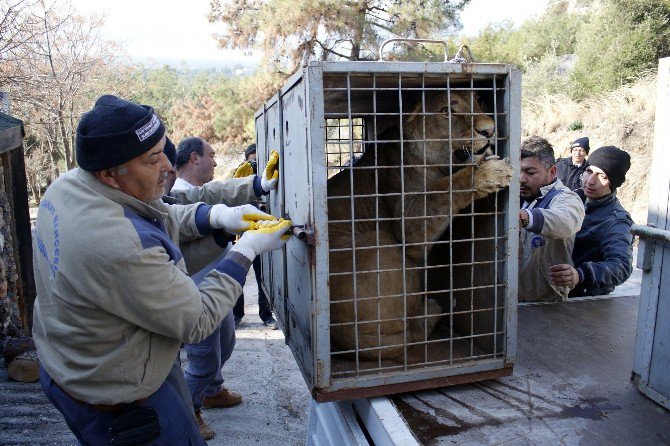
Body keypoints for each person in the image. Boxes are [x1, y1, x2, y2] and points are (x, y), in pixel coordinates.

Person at [32, 94, 291, 445]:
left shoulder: (71, 186)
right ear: (110, 172)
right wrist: (247, 250)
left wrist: (217, 218)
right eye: (153, 159)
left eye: (165, 150)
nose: (169, 167)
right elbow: (196, 319)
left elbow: (158, 214)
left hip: (80, 361)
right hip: (117, 397)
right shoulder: (117, 246)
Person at [173, 137, 280, 440]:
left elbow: (215, 192)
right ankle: (189, 411)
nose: (216, 161)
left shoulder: (195, 192)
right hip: (196, 294)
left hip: (219, 290)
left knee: (226, 345)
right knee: (203, 358)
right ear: (194, 158)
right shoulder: (174, 197)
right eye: (211, 155)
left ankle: (212, 390)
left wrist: (258, 183)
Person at [550, 146, 634, 296]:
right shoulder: (574, 198)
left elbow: (621, 266)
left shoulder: (616, 220)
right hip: (555, 291)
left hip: (584, 301)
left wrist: (581, 274)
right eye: (589, 171)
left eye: (602, 176)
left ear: (613, 183)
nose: (590, 181)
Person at [518, 136, 585, 302]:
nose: (521, 178)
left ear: (552, 171)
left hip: (546, 304)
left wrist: (527, 217)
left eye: (530, 172)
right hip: (513, 301)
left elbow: (566, 221)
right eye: (517, 171)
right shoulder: (517, 196)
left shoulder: (567, 198)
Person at [232, 144, 278, 329]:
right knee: (237, 277)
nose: (254, 163)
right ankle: (236, 314)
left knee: (262, 277)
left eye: (258, 160)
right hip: (243, 237)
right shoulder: (240, 176)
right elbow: (230, 199)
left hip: (262, 235)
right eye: (252, 159)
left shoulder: (267, 178)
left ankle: (266, 315)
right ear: (246, 159)